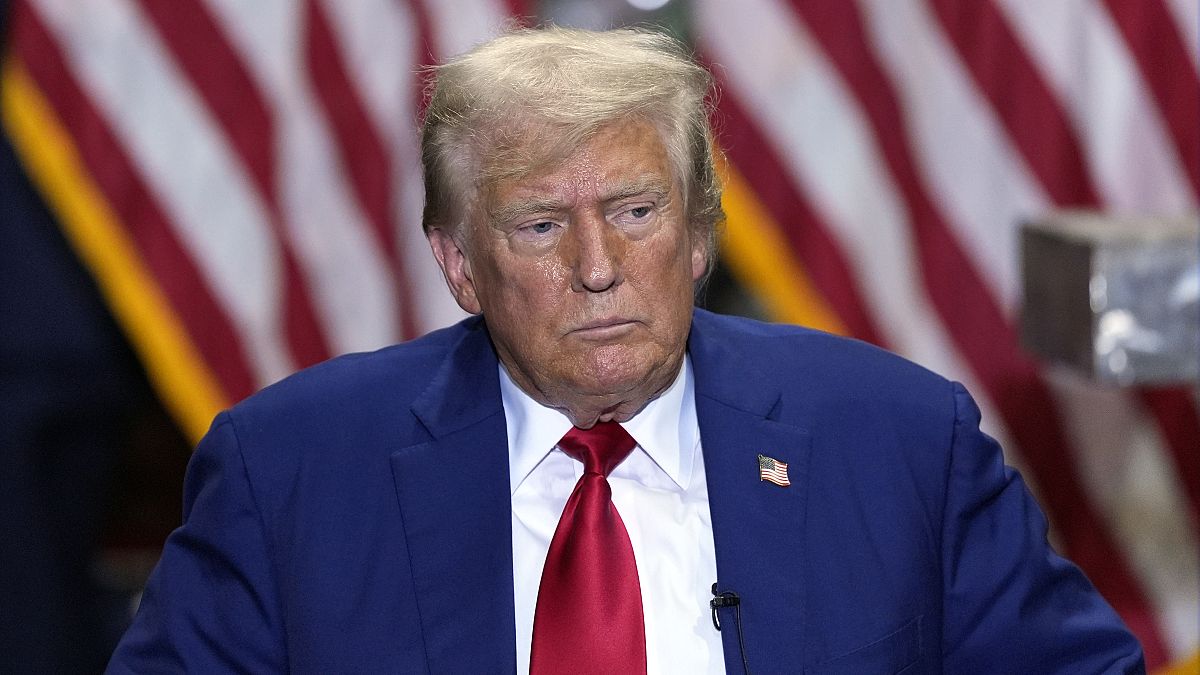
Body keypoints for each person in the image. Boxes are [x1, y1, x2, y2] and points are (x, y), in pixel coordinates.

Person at [107, 26, 1143, 674]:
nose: (599, 267)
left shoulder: (901, 442)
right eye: (541, 226)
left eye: (638, 211)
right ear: (458, 262)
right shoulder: (289, 473)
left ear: (698, 236)